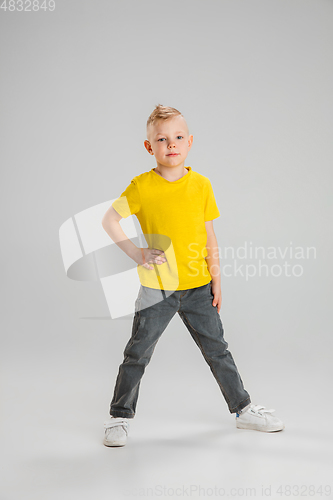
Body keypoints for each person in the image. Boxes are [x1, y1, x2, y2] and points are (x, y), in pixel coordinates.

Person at [101, 104, 284, 447]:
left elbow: (209, 235)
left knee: (218, 350)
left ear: (190, 142)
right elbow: (110, 220)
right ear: (149, 147)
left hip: (199, 287)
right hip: (158, 290)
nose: (171, 144)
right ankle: (119, 416)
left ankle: (243, 410)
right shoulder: (141, 187)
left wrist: (216, 277)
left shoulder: (201, 185)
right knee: (137, 353)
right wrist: (137, 254)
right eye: (162, 139)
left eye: (178, 137)